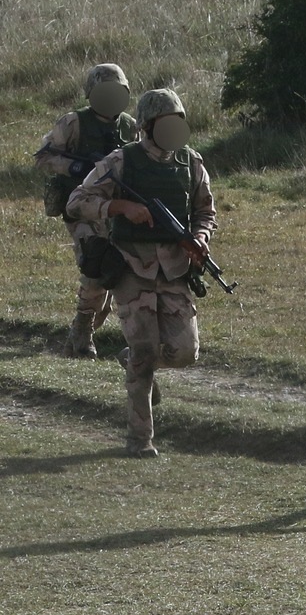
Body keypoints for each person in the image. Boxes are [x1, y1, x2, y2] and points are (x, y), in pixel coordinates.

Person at [64, 88, 214, 457]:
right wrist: (119, 207)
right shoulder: (120, 162)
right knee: (145, 352)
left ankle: (129, 358)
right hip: (131, 266)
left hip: (175, 269)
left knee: (184, 352)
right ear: (147, 127)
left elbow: (206, 211)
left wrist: (199, 237)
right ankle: (140, 440)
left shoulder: (191, 163)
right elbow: (77, 202)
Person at [34, 63, 138, 358]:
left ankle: (81, 336)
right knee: (95, 267)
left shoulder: (129, 126)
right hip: (81, 206)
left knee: (113, 275)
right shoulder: (74, 123)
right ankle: (81, 337)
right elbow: (43, 157)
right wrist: (74, 166)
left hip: (116, 209)